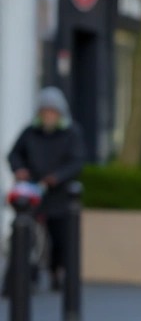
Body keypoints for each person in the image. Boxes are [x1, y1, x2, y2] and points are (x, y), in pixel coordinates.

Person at [7, 88, 86, 288]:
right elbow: (14, 154)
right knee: (26, 237)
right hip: (32, 193)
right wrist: (19, 169)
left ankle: (56, 273)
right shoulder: (30, 132)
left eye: (52, 112)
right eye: (45, 112)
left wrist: (57, 177)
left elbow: (77, 161)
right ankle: (21, 281)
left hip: (59, 196)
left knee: (60, 239)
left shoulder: (71, 132)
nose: (48, 116)